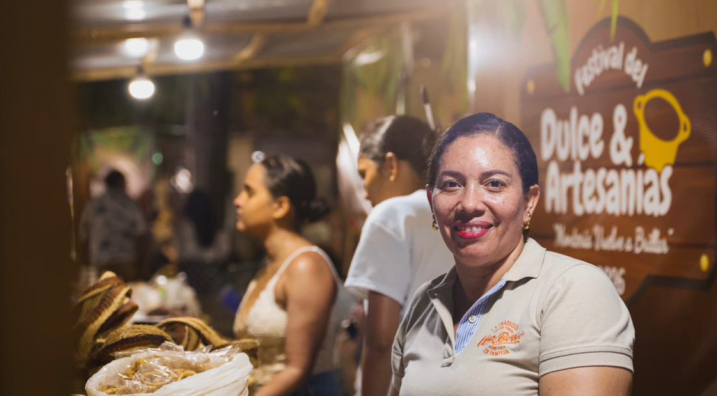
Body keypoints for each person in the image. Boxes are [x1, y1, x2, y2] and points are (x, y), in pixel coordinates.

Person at [389, 113, 634, 396]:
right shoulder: (424, 303)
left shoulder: (574, 291)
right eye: (451, 184)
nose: (469, 203)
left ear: (529, 202)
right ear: (432, 202)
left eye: (494, 184)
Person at [344, 115, 454, 396]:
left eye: (364, 174)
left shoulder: (390, 215)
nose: (364, 191)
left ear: (391, 165)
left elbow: (382, 341)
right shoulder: (457, 212)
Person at [233, 153, 345, 396]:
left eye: (249, 192)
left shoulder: (306, 266)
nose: (237, 201)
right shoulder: (272, 263)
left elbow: (297, 370)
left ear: (280, 206)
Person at [79, 169, 146, 281]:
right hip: (126, 260)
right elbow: (141, 233)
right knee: (125, 295)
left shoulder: (94, 204)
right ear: (122, 183)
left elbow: (83, 235)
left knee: (103, 295)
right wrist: (141, 262)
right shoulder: (129, 204)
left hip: (100, 260)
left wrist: (86, 262)